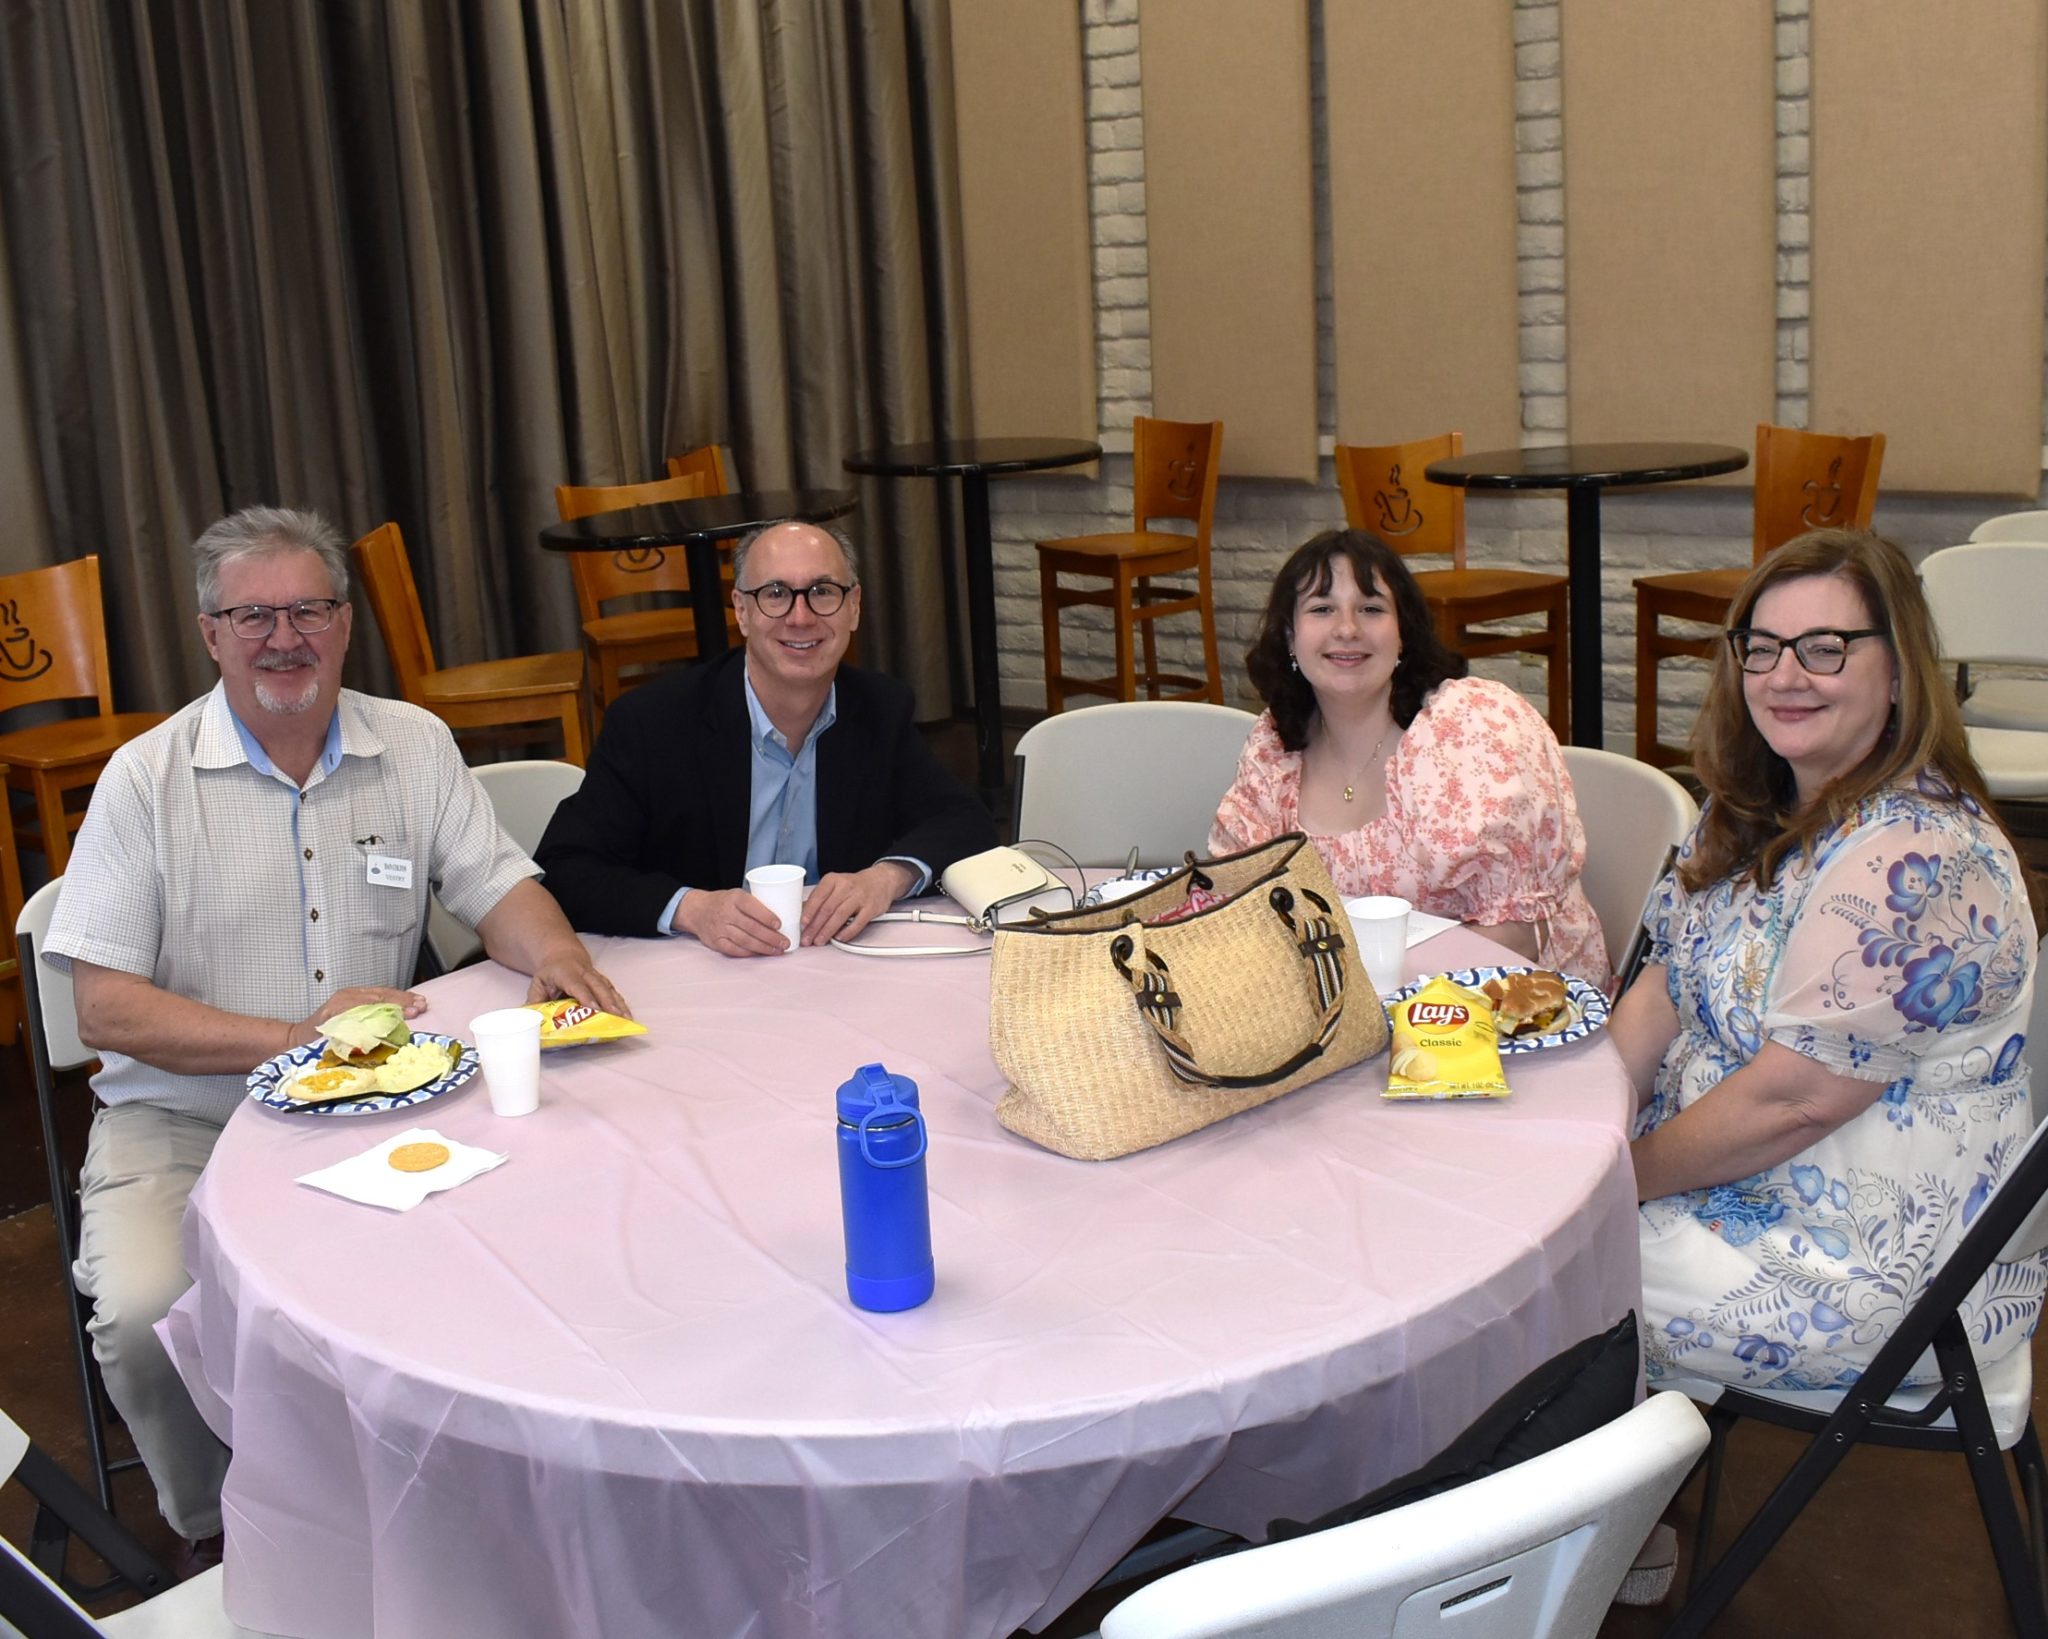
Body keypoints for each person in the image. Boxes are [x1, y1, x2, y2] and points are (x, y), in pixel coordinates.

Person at [42, 506, 628, 1566]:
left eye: (308, 609)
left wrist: (556, 954)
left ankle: (449, 1512)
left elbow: (497, 886)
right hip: (189, 1115)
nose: (285, 638)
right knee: (141, 1313)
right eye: (253, 616)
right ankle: (224, 1533)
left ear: (345, 622)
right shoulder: (144, 779)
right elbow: (106, 1010)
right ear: (210, 633)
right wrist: (288, 1037)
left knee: (545, 1240)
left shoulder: (413, 744)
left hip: (381, 1102)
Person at [1611, 528, 2041, 1392]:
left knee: (1516, 1285)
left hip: (1859, 1261)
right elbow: (1663, 987)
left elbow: (1794, 1102)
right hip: (1731, 1183)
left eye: (1825, 648)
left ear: (1900, 671)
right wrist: (1589, 1135)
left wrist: (1611, 1183)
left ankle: (1575, 1479)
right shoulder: (1750, 804)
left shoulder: (1917, 854)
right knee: (1501, 1223)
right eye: (1763, 647)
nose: (1785, 675)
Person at [536, 520, 995, 955]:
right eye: (775, 594)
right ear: (742, 610)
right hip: (697, 969)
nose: (801, 617)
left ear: (854, 607)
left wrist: (886, 878)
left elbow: (964, 820)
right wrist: (691, 909)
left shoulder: (879, 709)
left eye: (823, 591)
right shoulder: (654, 722)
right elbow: (565, 867)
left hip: (832, 967)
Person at [1208, 527, 1608, 984]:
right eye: (1321, 609)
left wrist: (1384, 998)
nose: (1347, 629)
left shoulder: (1472, 728)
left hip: (1509, 999)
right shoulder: (1274, 749)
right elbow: (1239, 907)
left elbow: (1520, 934)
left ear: (1403, 634)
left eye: (1371, 609)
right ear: (1289, 637)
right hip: (1341, 1002)